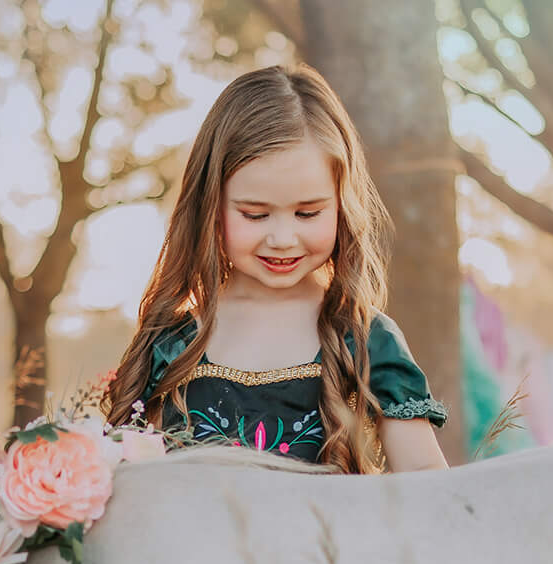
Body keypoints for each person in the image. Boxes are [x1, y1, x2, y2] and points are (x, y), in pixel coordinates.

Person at [106, 64, 448, 473]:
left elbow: (430, 494)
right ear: (210, 206)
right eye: (255, 215)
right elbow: (126, 490)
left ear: (342, 206)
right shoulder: (170, 345)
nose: (283, 238)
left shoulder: (368, 340)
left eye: (307, 213)